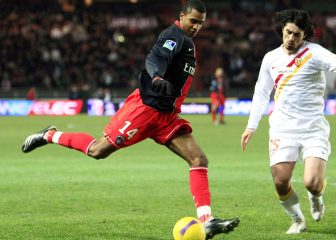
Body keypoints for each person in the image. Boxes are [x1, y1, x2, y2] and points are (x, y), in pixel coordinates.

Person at [21, 1, 239, 239]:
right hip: (144, 110)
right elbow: (157, 56)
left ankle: (207, 221)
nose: (197, 26)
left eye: (201, 23)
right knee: (97, 150)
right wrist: (156, 77)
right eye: (193, 21)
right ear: (182, 16)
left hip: (166, 116)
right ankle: (50, 135)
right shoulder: (174, 35)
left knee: (199, 158)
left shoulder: (188, 43)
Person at [240, 9, 336, 234]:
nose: (291, 38)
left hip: (313, 127)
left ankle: (316, 197)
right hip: (283, 128)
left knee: (312, 182)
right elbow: (261, 93)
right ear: (281, 31)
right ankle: (297, 220)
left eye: (297, 34)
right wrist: (251, 126)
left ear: (305, 36)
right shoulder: (270, 59)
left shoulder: (314, 53)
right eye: (288, 32)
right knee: (281, 181)